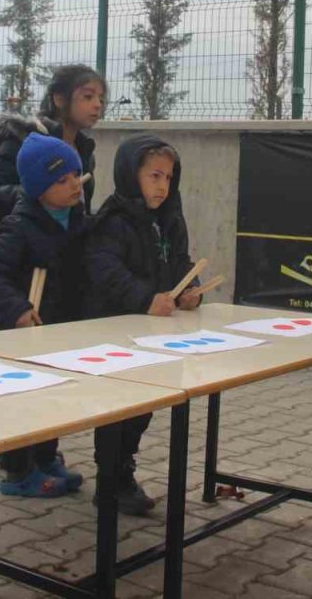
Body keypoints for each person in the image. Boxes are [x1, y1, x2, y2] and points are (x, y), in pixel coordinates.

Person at [84, 135, 202, 514]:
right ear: (129, 175)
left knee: (143, 407)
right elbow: (104, 270)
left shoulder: (170, 217)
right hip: (116, 330)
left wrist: (191, 289)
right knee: (117, 409)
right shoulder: (113, 219)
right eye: (154, 175)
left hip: (156, 335)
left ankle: (124, 467)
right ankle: (110, 479)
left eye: (168, 177)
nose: (162, 185)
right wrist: (144, 298)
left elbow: (182, 261)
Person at [0, 133, 88, 498]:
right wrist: (18, 307)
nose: (74, 185)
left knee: (51, 399)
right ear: (38, 188)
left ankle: (46, 457)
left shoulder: (79, 221)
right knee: (19, 402)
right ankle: (18, 472)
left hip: (58, 332)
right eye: (61, 179)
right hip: (22, 335)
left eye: (75, 175)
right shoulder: (17, 226)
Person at [0, 64, 105, 222]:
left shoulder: (84, 148)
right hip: (26, 242)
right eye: (88, 96)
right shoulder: (26, 140)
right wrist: (42, 192)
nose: (98, 105)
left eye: (100, 98)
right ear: (59, 99)